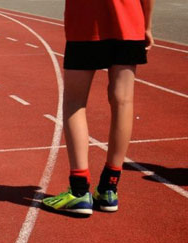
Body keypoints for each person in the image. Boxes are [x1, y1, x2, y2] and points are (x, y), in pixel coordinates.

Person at [43, 0, 154, 215]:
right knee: (123, 101)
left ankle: (79, 190)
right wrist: (147, 25)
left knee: (74, 102)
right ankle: (109, 188)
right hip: (130, 21)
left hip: (86, 21)